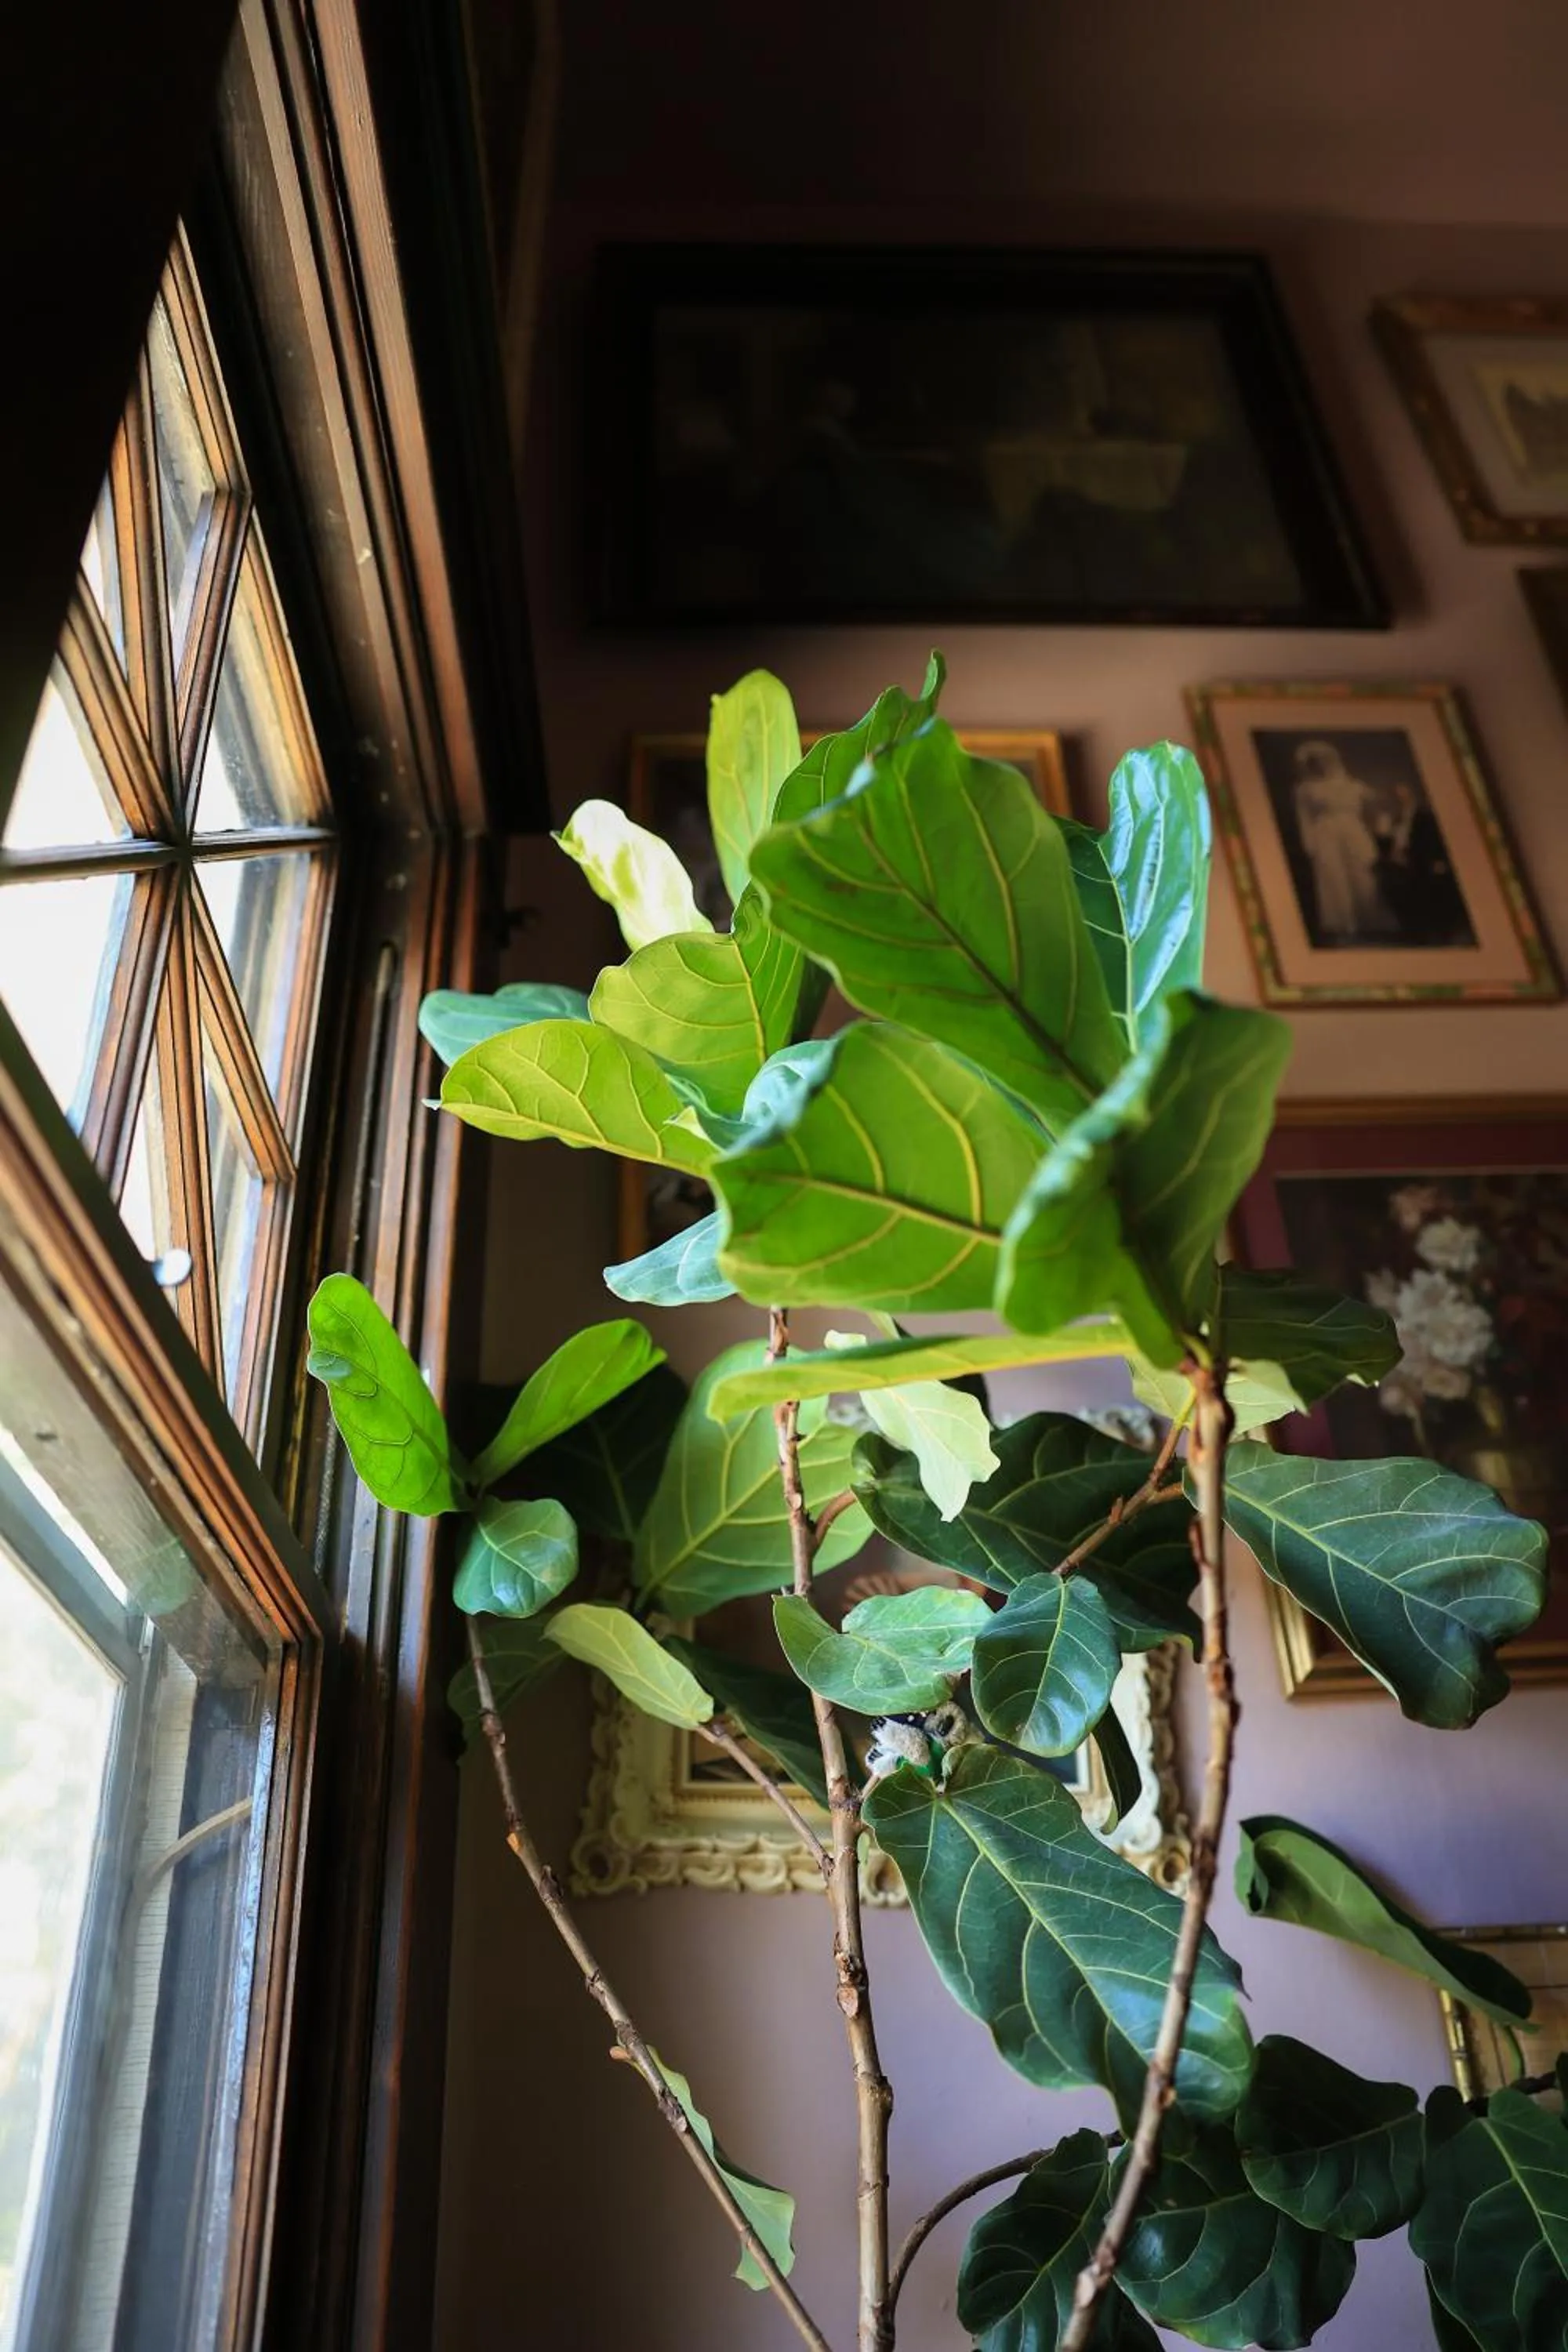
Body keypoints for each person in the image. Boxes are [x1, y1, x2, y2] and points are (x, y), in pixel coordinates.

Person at [1290, 739, 1396, 944]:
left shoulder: (1352, 785)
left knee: (1363, 873)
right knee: (1333, 876)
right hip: (1325, 833)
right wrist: (1309, 844)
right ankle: (1342, 925)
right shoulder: (1305, 789)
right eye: (1316, 761)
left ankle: (1373, 923)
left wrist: (1384, 827)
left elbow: (1378, 803)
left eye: (1325, 760)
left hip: (1353, 830)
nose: (1322, 765)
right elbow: (1304, 819)